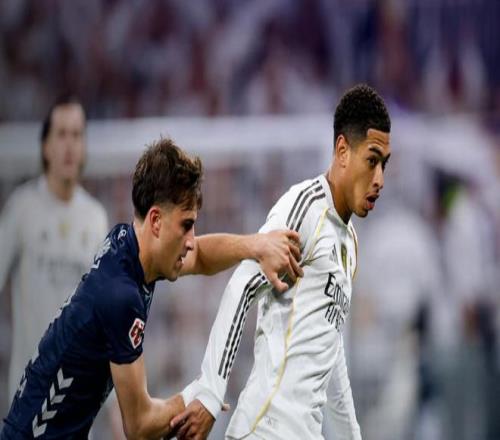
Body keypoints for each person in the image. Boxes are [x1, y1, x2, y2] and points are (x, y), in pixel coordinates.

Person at [0, 138, 302, 439]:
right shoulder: (121, 296)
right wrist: (199, 393)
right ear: (156, 220)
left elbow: (200, 255)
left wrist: (255, 245)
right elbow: (140, 426)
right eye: (186, 225)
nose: (191, 240)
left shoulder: (128, 244)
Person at [172, 84, 392, 440]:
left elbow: (329, 349)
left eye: (384, 164)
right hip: (266, 429)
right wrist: (211, 392)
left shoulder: (349, 244)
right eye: (372, 160)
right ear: (342, 151)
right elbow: (244, 284)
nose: (380, 179)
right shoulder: (305, 208)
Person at [0, 95, 108, 402]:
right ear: (46, 146)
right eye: (61, 134)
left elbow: (103, 314)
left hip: (76, 399)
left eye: (77, 135)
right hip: (27, 396)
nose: (69, 145)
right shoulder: (22, 209)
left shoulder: (96, 219)